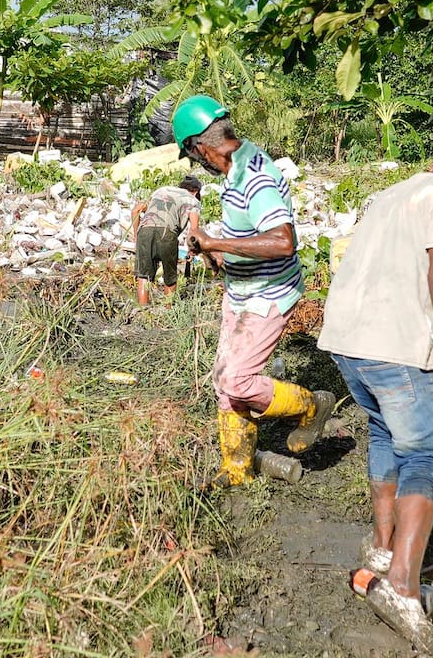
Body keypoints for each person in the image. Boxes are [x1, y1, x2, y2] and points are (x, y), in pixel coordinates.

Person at [315, 133, 433, 651]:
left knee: (384, 434)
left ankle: (381, 548)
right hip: (394, 346)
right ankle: (400, 585)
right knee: (425, 456)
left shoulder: (392, 193)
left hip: (347, 343)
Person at [172, 94, 335, 489]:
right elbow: (245, 232)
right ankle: (238, 469)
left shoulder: (253, 176)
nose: (196, 164)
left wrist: (216, 244)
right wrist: (209, 247)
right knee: (223, 380)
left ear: (199, 148)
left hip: (268, 292)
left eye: (192, 156)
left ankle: (312, 406)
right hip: (242, 289)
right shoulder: (235, 169)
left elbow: (283, 240)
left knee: (238, 381)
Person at [130, 175, 202, 305]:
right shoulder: (193, 201)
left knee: (143, 276)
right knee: (170, 278)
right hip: (167, 233)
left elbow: (136, 211)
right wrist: (192, 250)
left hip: (145, 230)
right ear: (196, 191)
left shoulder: (162, 190)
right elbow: (194, 230)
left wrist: (136, 236)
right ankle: (168, 312)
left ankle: (142, 312)